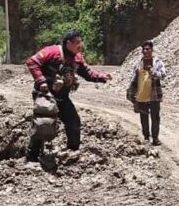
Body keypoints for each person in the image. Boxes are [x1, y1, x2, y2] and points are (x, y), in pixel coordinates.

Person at [25, 30, 112, 162]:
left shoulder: (77, 58)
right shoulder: (52, 51)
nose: (80, 45)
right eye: (77, 42)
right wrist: (41, 81)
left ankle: (72, 153)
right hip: (45, 95)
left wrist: (102, 77)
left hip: (62, 97)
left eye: (80, 42)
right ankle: (32, 157)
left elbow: (88, 73)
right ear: (68, 43)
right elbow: (32, 62)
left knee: (73, 122)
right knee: (43, 124)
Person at [127, 40, 167, 145]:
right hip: (141, 95)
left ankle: (155, 138)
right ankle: (146, 137)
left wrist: (152, 71)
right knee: (143, 117)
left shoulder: (158, 62)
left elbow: (163, 75)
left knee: (155, 117)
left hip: (154, 95)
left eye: (147, 49)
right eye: (143, 49)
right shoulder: (138, 63)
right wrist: (131, 93)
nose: (145, 51)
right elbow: (133, 79)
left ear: (152, 50)